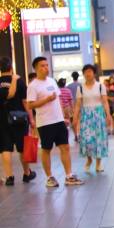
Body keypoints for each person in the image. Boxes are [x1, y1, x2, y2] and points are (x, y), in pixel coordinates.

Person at [27, 57, 83, 187]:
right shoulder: (33, 85)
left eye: (47, 65)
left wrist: (64, 116)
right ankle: (49, 177)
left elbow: (57, 100)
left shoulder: (52, 81)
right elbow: (30, 105)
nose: (46, 68)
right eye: (42, 66)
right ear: (36, 68)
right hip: (45, 122)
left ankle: (69, 176)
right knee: (46, 149)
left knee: (65, 147)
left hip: (58, 120)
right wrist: (46, 100)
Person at [0, 57, 37, 185]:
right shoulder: (19, 81)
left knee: (5, 148)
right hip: (19, 119)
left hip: (2, 120)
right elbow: (25, 102)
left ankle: (9, 177)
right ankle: (27, 173)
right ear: (11, 67)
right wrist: (31, 119)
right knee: (22, 147)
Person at [73, 64, 111, 173]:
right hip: (86, 116)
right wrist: (75, 118)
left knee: (99, 139)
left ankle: (98, 163)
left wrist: (108, 115)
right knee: (86, 139)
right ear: (83, 74)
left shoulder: (100, 86)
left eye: (90, 71)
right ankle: (89, 160)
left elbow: (105, 101)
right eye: (86, 72)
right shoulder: (80, 88)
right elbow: (78, 104)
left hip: (98, 115)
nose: (88, 73)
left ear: (94, 73)